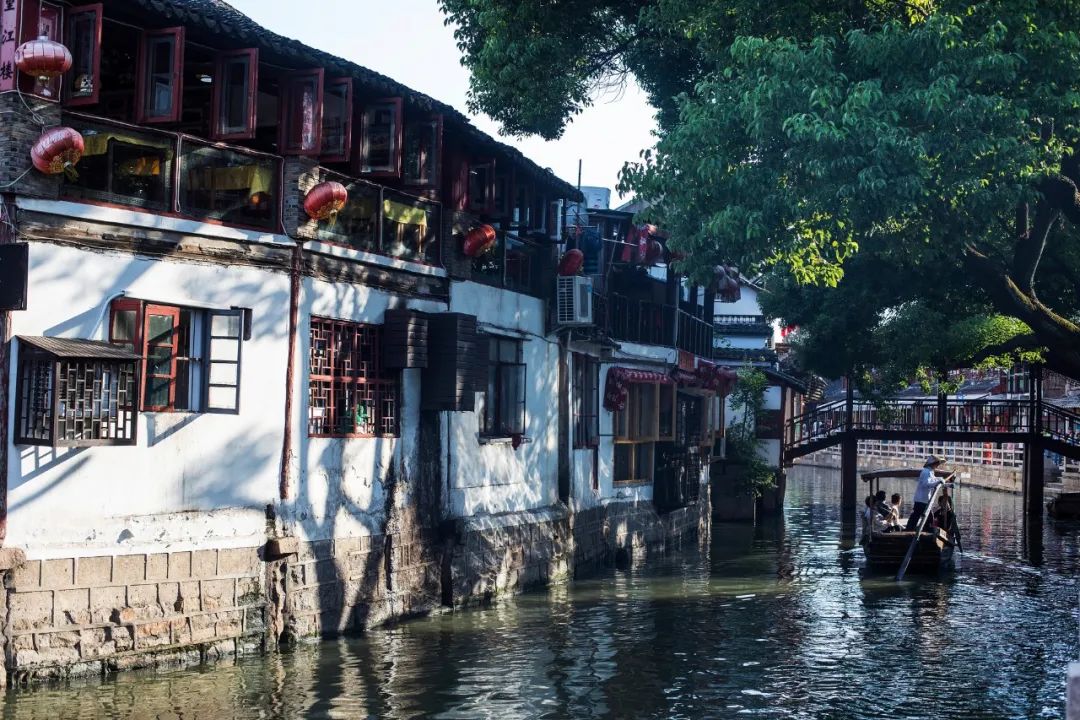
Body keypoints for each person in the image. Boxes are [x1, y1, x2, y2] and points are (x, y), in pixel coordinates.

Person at [906, 456, 949, 530]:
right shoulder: (926, 471)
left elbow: (933, 480)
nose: (937, 465)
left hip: (924, 499)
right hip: (921, 499)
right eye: (937, 464)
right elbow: (927, 484)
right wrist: (939, 481)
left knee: (920, 516)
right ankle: (914, 529)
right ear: (933, 464)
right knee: (922, 516)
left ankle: (915, 529)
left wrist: (940, 479)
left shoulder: (930, 472)